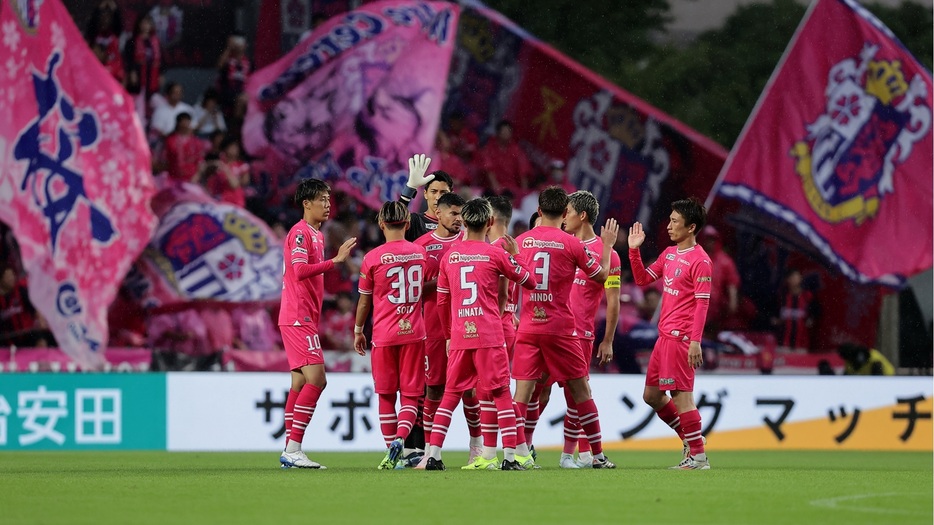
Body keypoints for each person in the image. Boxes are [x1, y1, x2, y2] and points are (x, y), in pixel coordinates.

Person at [512, 186, 619, 469]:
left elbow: (509, 279)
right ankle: (596, 455)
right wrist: (607, 246)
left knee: (522, 394)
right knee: (581, 391)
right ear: (562, 214)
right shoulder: (572, 244)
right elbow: (602, 275)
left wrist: (509, 310)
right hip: (561, 329)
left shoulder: (521, 241)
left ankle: (515, 456)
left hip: (529, 327)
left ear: (538, 210)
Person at [429, 198, 539, 470]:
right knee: (501, 393)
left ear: (464, 223)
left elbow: (443, 303)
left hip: (460, 336)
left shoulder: (450, 257)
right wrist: (518, 256)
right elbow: (531, 281)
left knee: (451, 395)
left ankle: (433, 456)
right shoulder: (496, 254)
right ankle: (511, 459)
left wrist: (448, 336)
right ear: (490, 223)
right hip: (490, 335)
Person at [628, 197, 712, 470]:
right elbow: (642, 280)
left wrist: (695, 341)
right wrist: (633, 252)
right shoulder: (669, 254)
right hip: (663, 337)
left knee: (681, 397)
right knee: (651, 395)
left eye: (675, 221)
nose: (669, 226)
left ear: (691, 227)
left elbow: (702, 303)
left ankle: (698, 457)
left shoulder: (701, 261)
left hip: (681, 338)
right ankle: (691, 439)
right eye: (670, 219)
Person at [278, 179, 357, 469]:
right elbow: (299, 271)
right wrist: (335, 261)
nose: (326, 205)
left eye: (328, 199)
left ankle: (290, 449)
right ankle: (294, 448)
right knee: (318, 380)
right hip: (299, 316)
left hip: (301, 315)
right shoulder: (300, 233)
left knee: (299, 382)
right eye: (321, 200)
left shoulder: (316, 234)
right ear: (306, 203)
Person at [353, 201, 428, 469]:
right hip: (414, 334)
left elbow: (364, 301)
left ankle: (390, 451)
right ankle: (401, 440)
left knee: (386, 396)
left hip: (384, 334)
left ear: (381, 224)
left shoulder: (372, 258)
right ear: (407, 224)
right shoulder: (420, 252)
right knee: (410, 396)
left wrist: (359, 329)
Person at [413, 193, 482, 468]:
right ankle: (431, 452)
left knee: (470, 391)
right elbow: (413, 289)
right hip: (433, 329)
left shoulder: (472, 243)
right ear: (437, 214)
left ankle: (476, 448)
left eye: (460, 214)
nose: (458, 219)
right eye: (453, 213)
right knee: (433, 390)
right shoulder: (421, 246)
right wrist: (443, 281)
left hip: (467, 326)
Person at [560, 190, 622, 468]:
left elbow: (613, 301)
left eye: (568, 211)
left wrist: (607, 340)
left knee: (576, 395)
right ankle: (524, 451)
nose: (564, 217)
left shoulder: (609, 255)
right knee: (539, 390)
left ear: (581, 216)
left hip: (581, 334)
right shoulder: (560, 245)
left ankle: (578, 453)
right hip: (551, 329)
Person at [398, 154, 455, 241]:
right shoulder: (415, 221)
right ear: (425, 194)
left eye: (443, 192)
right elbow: (393, 222)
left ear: (452, 195)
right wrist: (410, 188)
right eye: (434, 191)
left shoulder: (459, 224)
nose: (438, 197)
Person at [773, 268, 817, 351]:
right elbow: (772, 313)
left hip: (801, 344)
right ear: (787, 280)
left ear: (801, 279)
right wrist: (775, 320)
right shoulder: (781, 296)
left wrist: (811, 319)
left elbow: (815, 312)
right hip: (783, 343)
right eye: (792, 278)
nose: (794, 280)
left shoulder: (807, 296)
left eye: (796, 277)